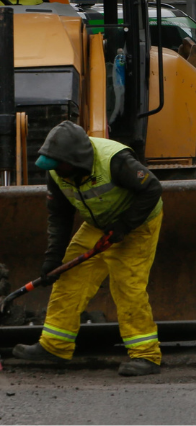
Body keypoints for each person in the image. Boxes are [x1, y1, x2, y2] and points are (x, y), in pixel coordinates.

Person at [12, 121, 164, 376]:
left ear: (75, 160)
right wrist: (52, 260)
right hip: (99, 223)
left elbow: (152, 189)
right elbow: (59, 217)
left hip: (138, 224)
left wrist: (124, 226)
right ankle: (54, 346)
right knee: (69, 278)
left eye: (60, 166)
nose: (57, 172)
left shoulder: (114, 160)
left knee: (127, 286)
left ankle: (146, 356)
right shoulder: (56, 173)